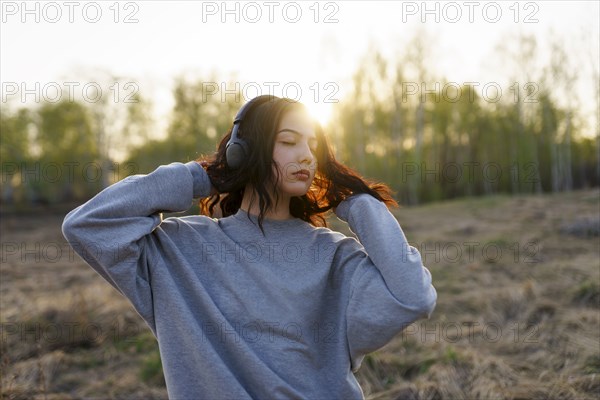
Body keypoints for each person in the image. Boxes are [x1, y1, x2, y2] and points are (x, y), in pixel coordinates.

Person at [62, 95, 437, 399]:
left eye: (313, 145)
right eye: (288, 141)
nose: (306, 154)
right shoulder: (179, 251)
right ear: (244, 150)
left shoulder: (335, 257)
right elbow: (88, 225)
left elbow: (413, 297)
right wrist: (205, 175)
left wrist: (357, 203)